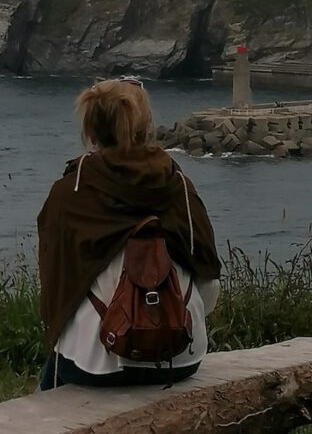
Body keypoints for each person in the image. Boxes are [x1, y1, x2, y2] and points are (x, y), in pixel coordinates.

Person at [37, 77, 221, 390]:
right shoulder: (180, 187)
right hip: (180, 355)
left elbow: (54, 290)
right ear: (148, 128)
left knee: (46, 387)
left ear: (91, 133)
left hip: (95, 361)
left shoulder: (70, 192)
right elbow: (210, 286)